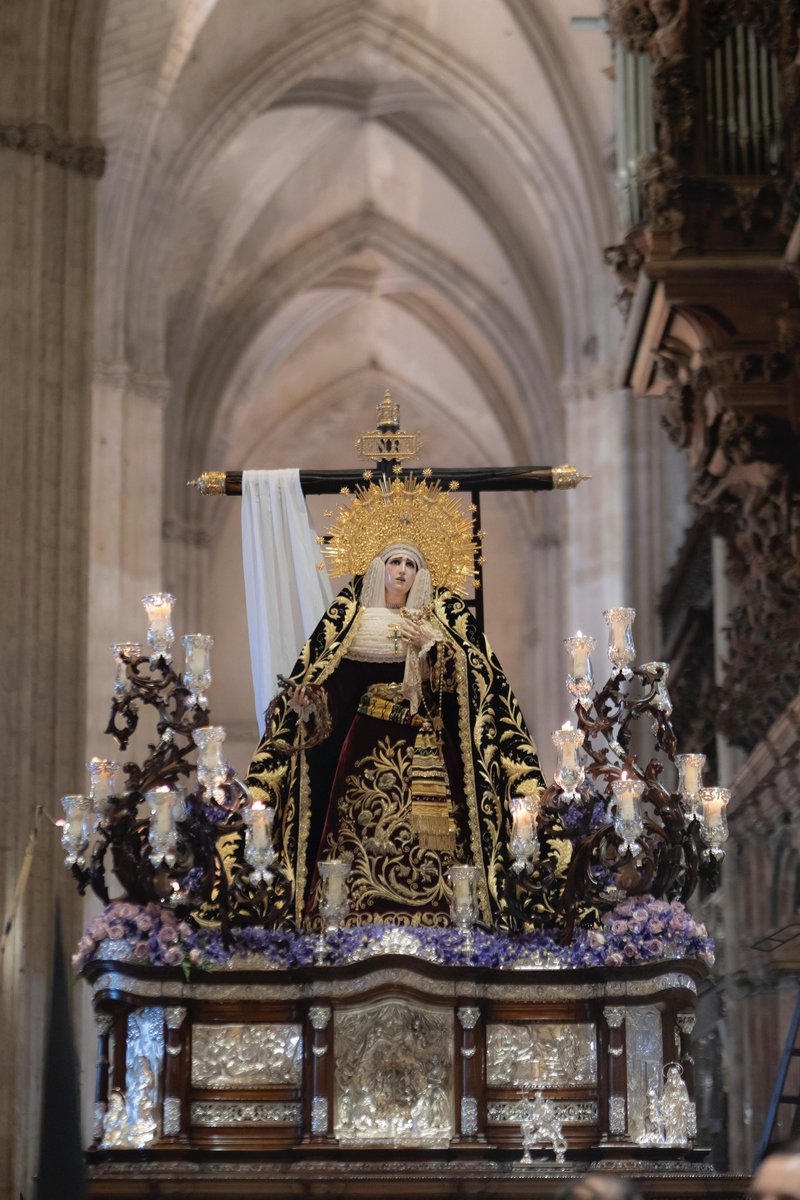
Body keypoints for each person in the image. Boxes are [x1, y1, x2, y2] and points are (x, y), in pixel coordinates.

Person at [246, 479, 545, 930]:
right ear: (378, 567)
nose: (402, 571)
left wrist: (432, 650)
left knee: (436, 837)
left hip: (425, 745)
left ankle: (445, 917)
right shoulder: (351, 620)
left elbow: (473, 690)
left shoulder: (440, 621)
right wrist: (310, 700)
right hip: (365, 743)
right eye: (394, 561)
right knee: (359, 827)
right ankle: (344, 916)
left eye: (410, 563)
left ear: (421, 574)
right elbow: (338, 684)